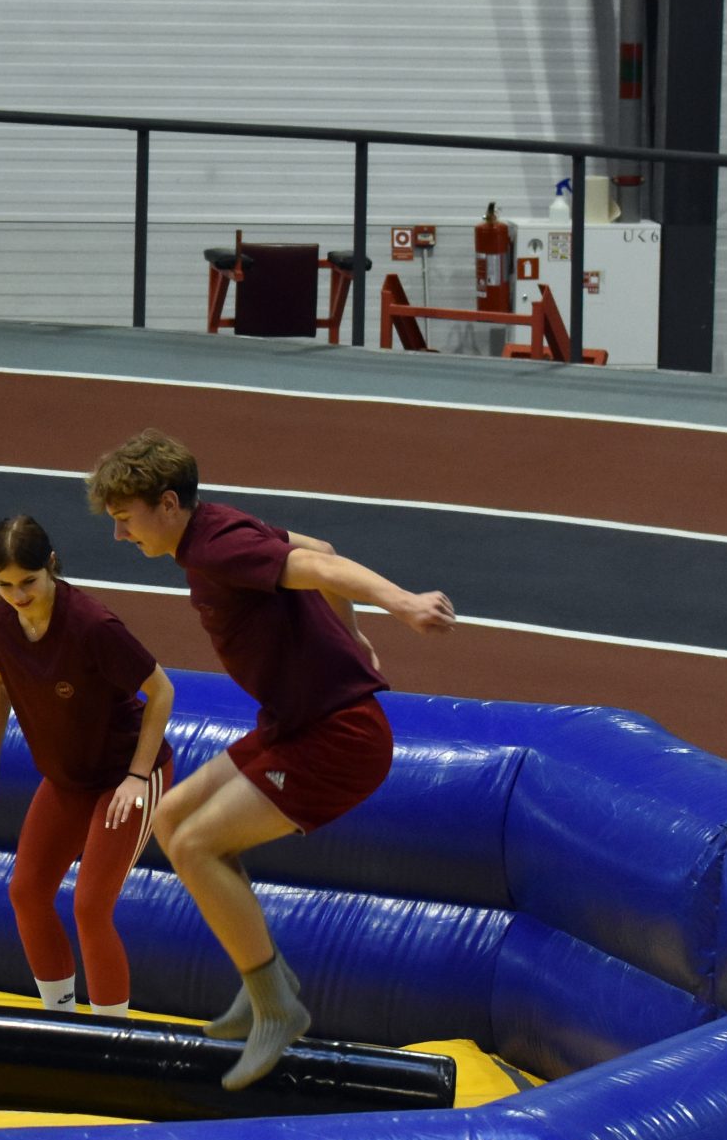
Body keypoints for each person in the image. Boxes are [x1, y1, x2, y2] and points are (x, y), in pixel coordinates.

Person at [87, 429, 456, 1088]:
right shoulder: (213, 527)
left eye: (125, 519)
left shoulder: (216, 546)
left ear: (167, 504)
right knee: (169, 818)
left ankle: (275, 1007)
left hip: (337, 738)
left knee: (196, 844)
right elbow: (320, 550)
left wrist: (400, 605)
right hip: (295, 725)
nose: (119, 534)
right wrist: (351, 634)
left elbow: (324, 570)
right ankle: (267, 978)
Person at [0, 514, 176, 1018]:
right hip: (68, 776)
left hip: (125, 776)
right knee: (26, 892)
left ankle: (110, 1038)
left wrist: (137, 777)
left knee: (90, 907)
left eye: (28, 582)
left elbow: (162, 690)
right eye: (4, 585)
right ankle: (58, 1020)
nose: (18, 595)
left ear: (52, 565)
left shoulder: (92, 626)